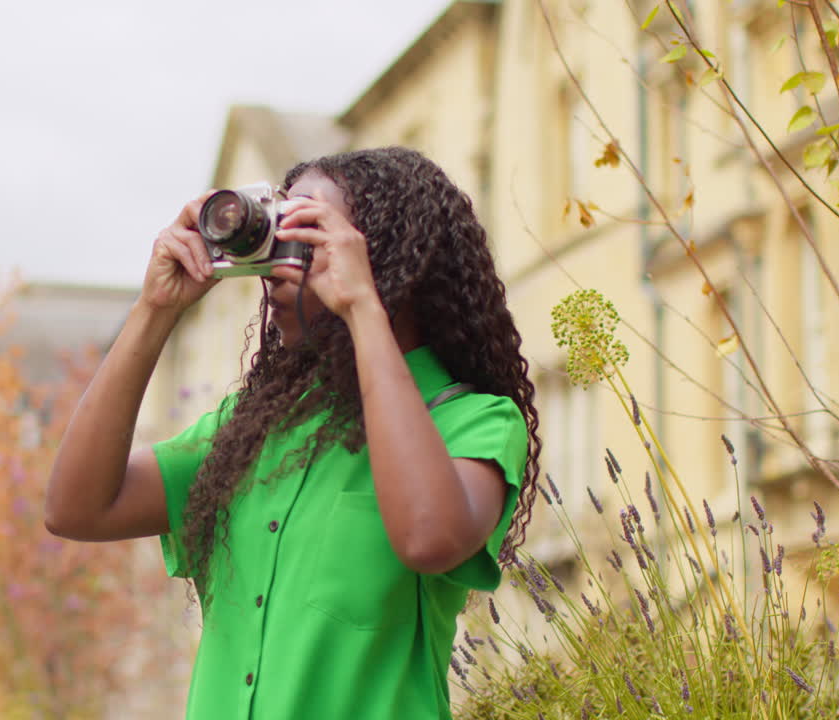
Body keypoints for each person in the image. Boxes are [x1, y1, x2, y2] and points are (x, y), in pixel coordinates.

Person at [45, 147, 541, 720]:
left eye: (307, 239)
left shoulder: (473, 421)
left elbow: (429, 537)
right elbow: (76, 507)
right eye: (277, 235)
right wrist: (155, 309)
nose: (276, 270)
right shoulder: (249, 432)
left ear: (385, 259)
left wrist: (361, 306)